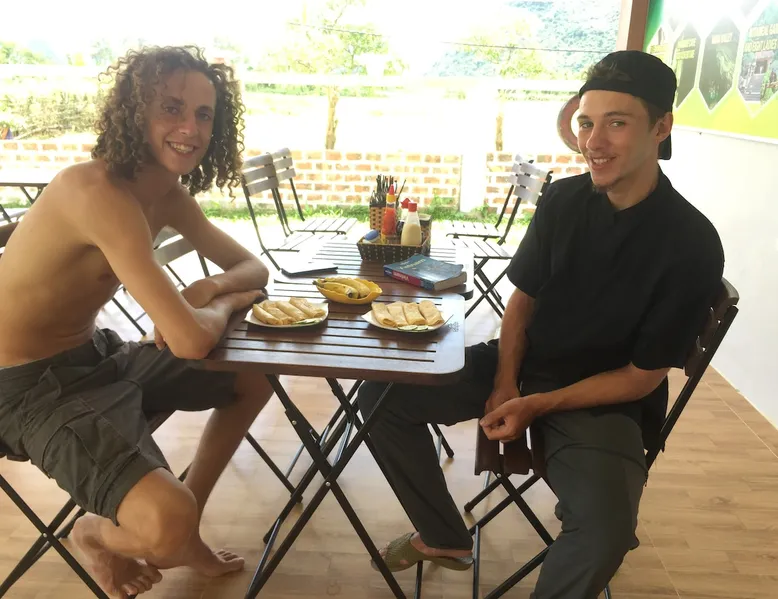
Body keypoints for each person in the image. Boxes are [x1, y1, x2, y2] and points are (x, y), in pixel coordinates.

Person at [358, 50, 724, 598]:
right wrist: (507, 380)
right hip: (525, 367)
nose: (593, 141)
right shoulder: (563, 199)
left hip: (603, 400)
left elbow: (641, 377)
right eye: (586, 123)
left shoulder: (691, 242)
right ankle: (443, 536)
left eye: (616, 123)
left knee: (604, 533)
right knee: (379, 399)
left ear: (661, 127)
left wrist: (536, 404)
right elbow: (522, 300)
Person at [0, 46, 274, 598]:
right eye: (172, 108)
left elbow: (253, 267)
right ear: (134, 112)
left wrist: (209, 289)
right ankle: (97, 535)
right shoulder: (94, 191)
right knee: (162, 524)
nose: (190, 128)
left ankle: (185, 527)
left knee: (255, 373)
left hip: (97, 355)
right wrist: (222, 305)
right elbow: (191, 338)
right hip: (26, 388)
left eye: (203, 114)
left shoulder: (166, 195)